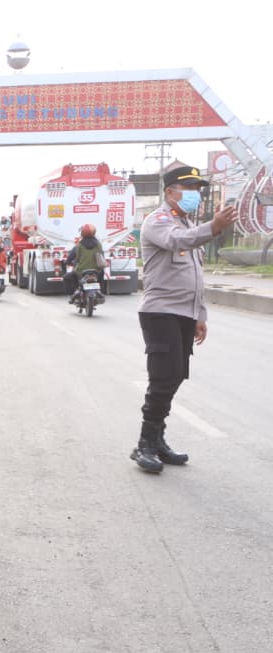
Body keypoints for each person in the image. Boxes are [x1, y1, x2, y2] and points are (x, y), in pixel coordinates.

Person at [130, 164, 238, 473]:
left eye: (197, 189)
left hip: (184, 313)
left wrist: (199, 314)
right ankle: (145, 444)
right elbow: (178, 241)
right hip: (160, 311)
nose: (194, 194)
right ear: (170, 192)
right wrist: (213, 227)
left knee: (176, 375)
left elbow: (195, 275)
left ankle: (157, 441)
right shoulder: (158, 221)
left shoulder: (189, 225)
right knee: (164, 377)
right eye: (188, 188)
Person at [65, 224, 105, 301]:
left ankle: (77, 290)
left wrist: (69, 262)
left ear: (82, 233)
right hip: (96, 270)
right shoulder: (98, 244)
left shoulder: (79, 245)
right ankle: (100, 290)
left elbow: (77, 258)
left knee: (73, 275)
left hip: (81, 270)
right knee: (102, 273)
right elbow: (101, 256)